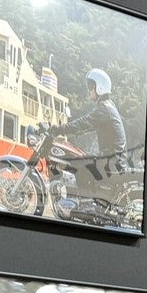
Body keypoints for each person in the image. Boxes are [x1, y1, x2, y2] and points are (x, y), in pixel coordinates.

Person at [51, 68, 128, 197]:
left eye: (91, 87)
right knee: (81, 159)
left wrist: (60, 129)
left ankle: (85, 202)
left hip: (111, 161)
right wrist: (73, 131)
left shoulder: (104, 108)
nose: (89, 90)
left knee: (79, 165)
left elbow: (84, 122)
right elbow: (88, 126)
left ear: (100, 88)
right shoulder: (108, 106)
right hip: (113, 158)